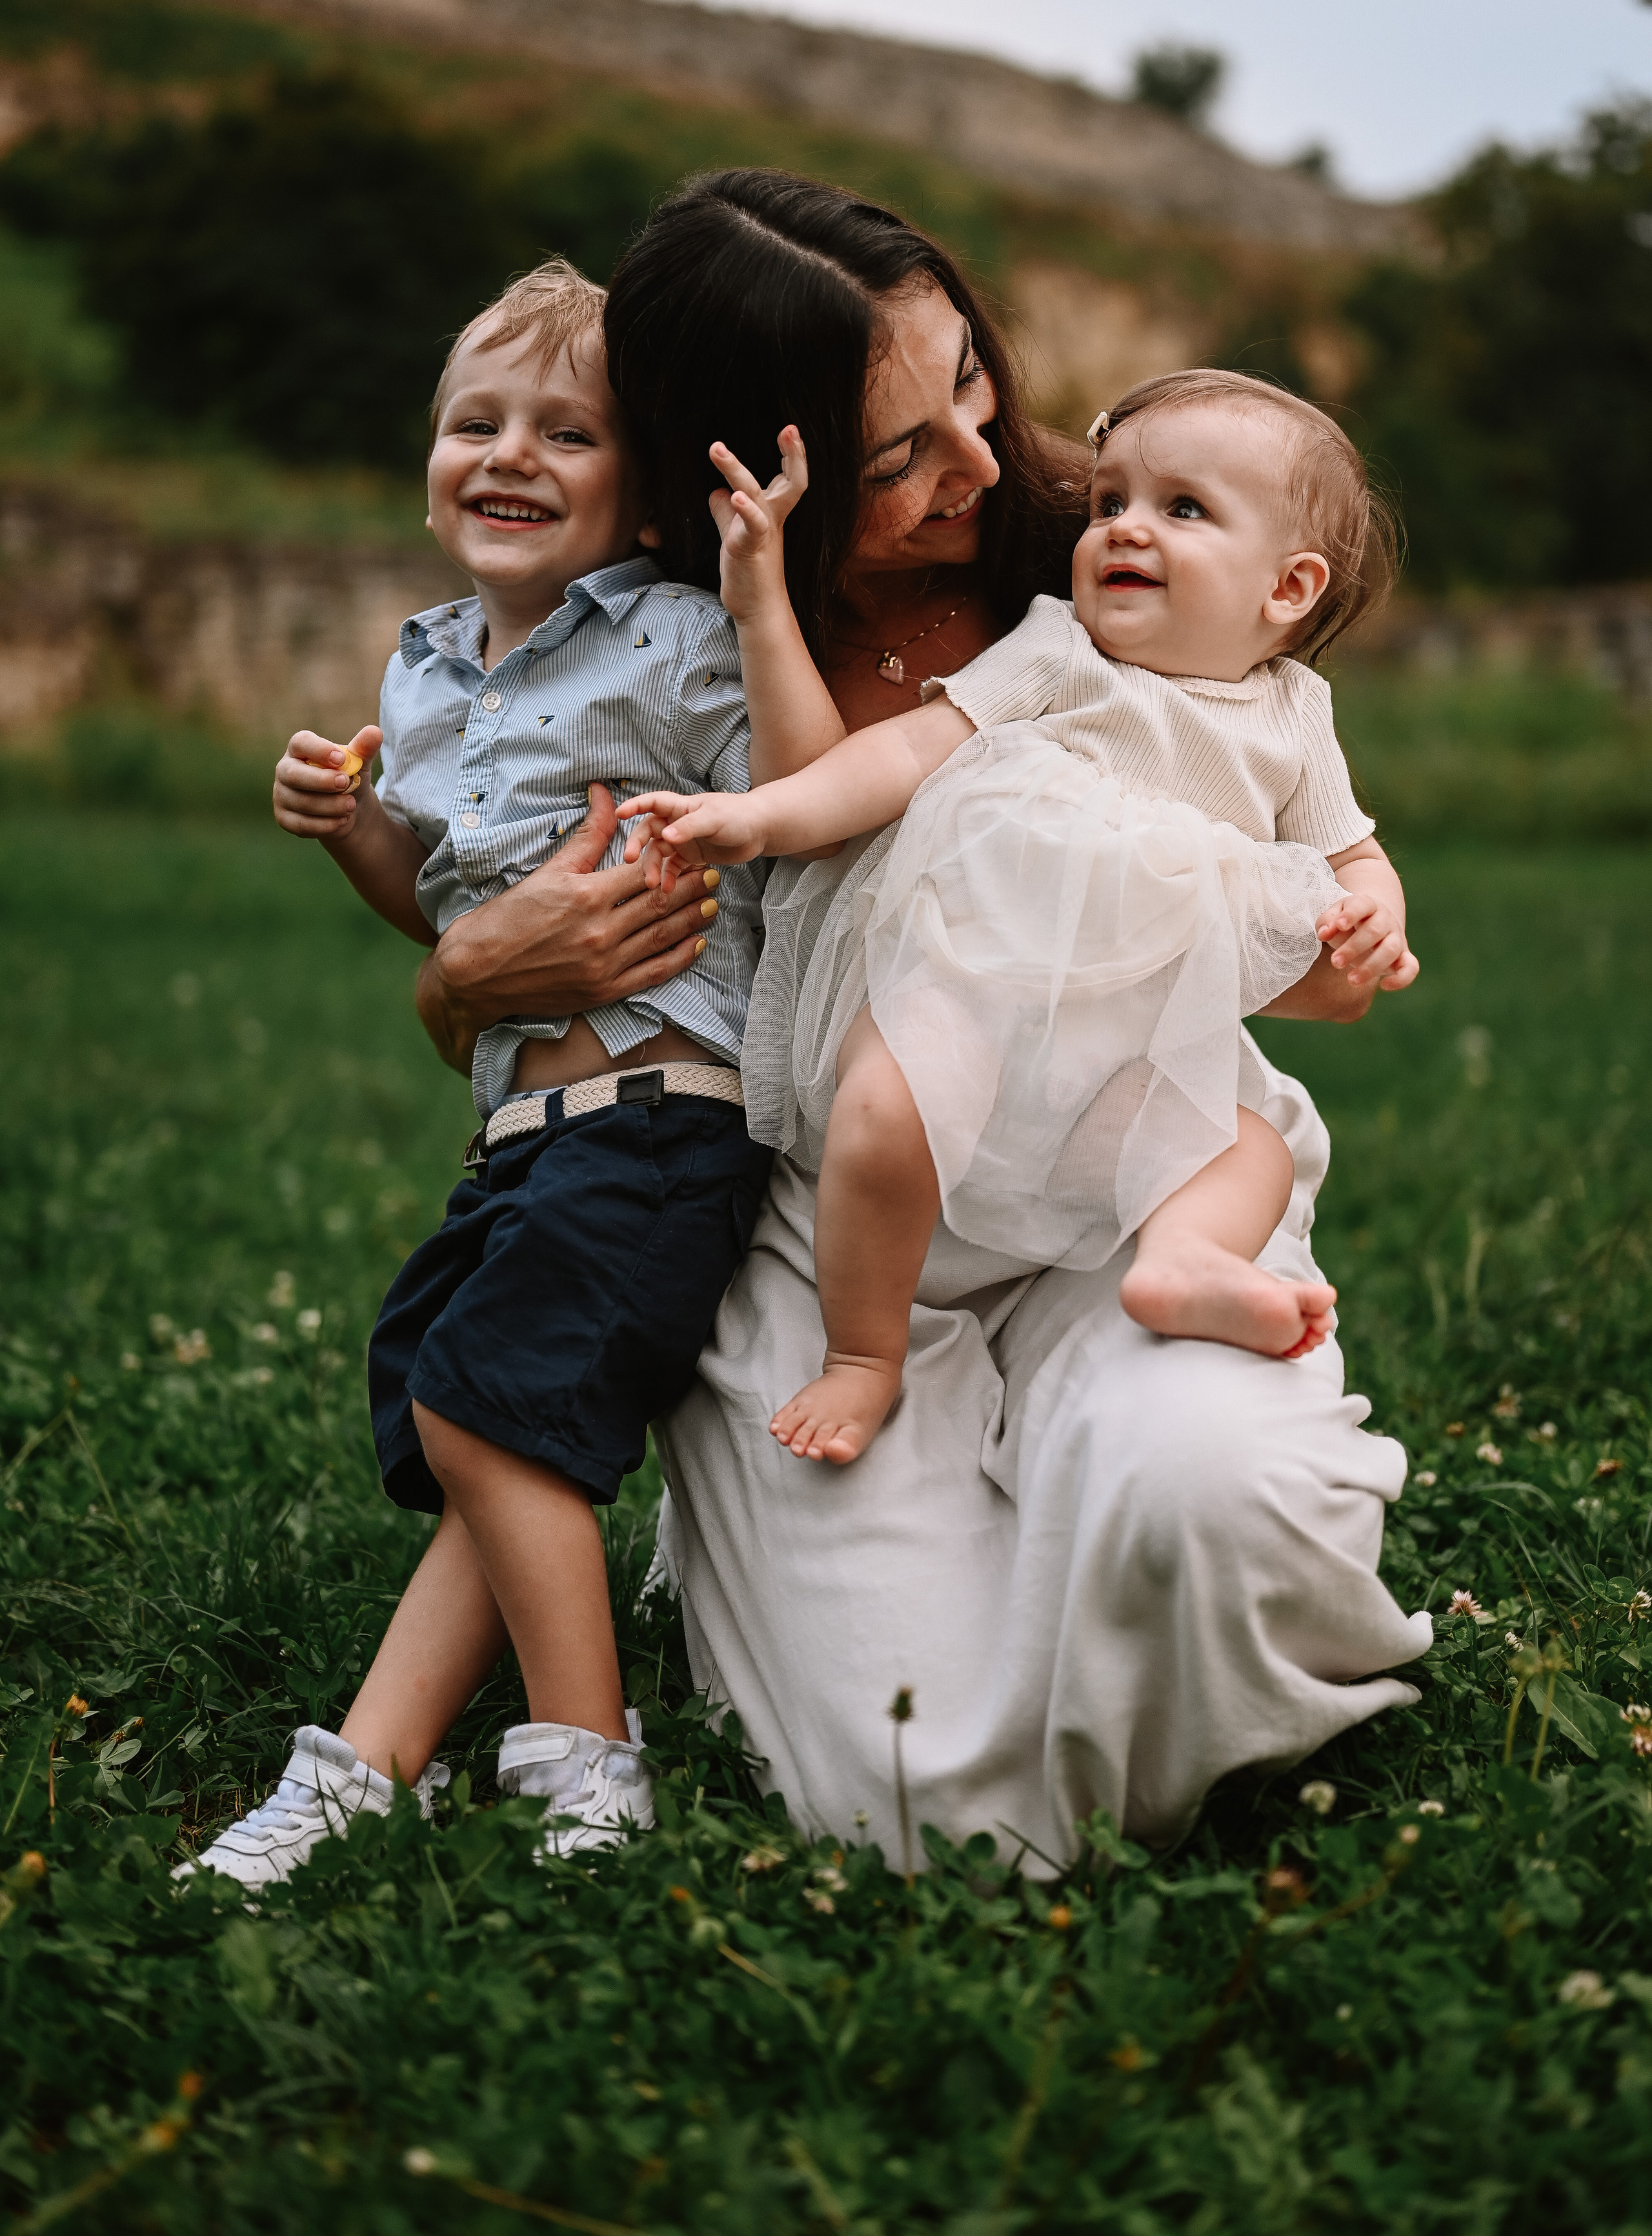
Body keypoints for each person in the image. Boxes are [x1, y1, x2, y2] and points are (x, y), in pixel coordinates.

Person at [416, 173, 1433, 1866]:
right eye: (899, 453)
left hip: (1117, 1166)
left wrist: (1320, 933)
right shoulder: (649, 638)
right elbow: (497, 932)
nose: (979, 458)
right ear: (749, 466)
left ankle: (1115, 1525)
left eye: (974, 382)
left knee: (1209, 1508)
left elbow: (1294, 804)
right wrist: (467, 977)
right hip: (832, 1227)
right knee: (895, 1781)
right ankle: (939, 1515)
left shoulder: (1089, 550)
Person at [179, 257, 839, 1888]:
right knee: (483, 1410)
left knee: (485, 1401)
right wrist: (358, 835)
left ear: (642, 493)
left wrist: (759, 603)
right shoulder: (419, 675)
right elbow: (447, 919)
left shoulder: (682, 638)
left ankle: (587, 1761)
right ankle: (359, 1770)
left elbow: (810, 795)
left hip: (663, 1110)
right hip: (525, 1127)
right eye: (474, 422)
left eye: (564, 432)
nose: (509, 454)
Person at [619, 372, 1420, 1467]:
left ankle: (1184, 1261)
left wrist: (1373, 914)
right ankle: (864, 1351)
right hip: (963, 995)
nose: (1125, 526)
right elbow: (905, 755)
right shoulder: (1059, 652)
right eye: (1109, 503)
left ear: (1287, 588)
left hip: (1121, 1051)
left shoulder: (1294, 713)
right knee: (881, 1116)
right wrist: (761, 816)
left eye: (1182, 509)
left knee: (1248, 1148)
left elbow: (1350, 849)